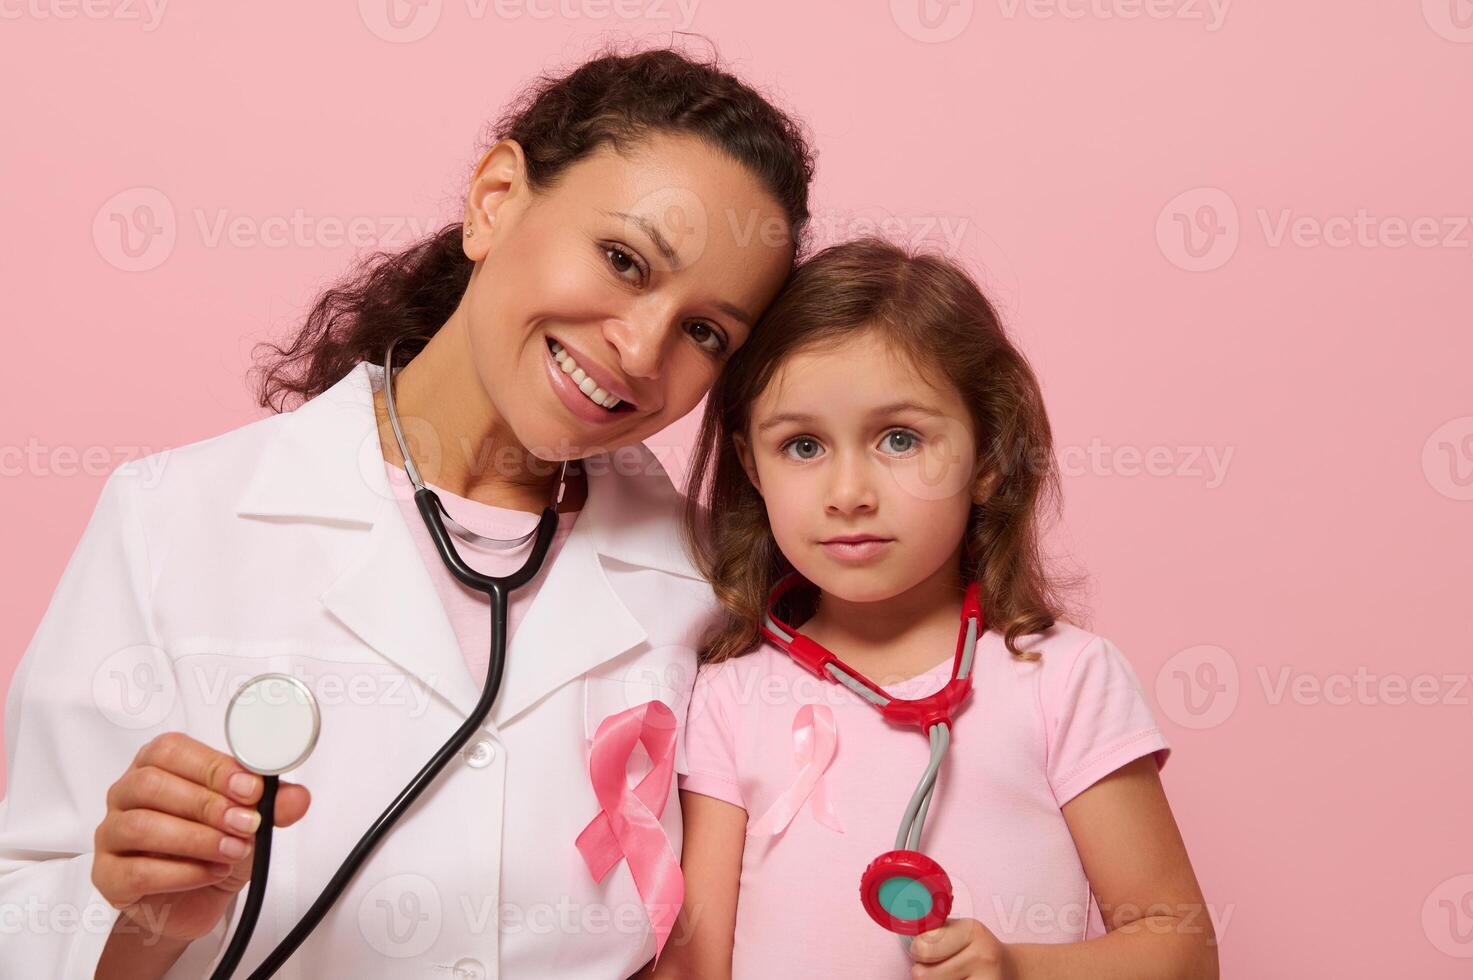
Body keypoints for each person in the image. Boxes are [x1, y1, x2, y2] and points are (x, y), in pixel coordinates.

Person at [0, 44, 815, 979]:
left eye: (705, 331)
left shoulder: (709, 585)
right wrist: (143, 918)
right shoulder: (172, 520)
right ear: (495, 199)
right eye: (624, 259)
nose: (639, 348)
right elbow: (26, 910)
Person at [652, 238, 1219, 978]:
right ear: (750, 464)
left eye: (899, 438)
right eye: (801, 446)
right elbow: (696, 963)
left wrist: (1015, 968)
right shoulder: (729, 696)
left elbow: (1180, 948)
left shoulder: (1062, 679)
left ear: (988, 457)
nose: (848, 491)